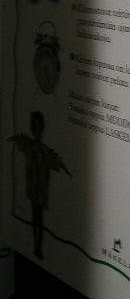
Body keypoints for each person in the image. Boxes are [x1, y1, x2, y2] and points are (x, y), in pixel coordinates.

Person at [8, 111, 72, 259]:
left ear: (42, 129)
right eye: (35, 127)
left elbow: (55, 160)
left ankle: (38, 247)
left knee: (39, 218)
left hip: (40, 188)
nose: (37, 131)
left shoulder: (43, 149)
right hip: (33, 186)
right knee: (35, 216)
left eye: (39, 127)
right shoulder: (32, 145)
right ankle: (36, 246)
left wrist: (63, 166)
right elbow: (22, 141)